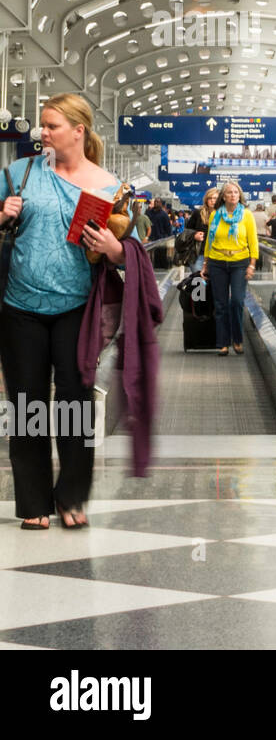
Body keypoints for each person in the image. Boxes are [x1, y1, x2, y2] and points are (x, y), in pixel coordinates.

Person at [0, 94, 125, 529]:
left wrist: (113, 249)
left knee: (74, 403)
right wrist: (1, 214)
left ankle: (72, 497)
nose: (43, 133)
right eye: (41, 125)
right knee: (27, 402)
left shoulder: (107, 185)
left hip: (76, 308)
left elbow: (124, 253)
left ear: (79, 131)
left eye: (52, 126)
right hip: (20, 307)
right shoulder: (20, 173)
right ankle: (34, 502)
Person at [202, 181, 259, 357]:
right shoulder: (215, 216)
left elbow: (253, 241)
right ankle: (222, 343)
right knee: (220, 305)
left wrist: (252, 264)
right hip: (217, 262)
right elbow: (209, 241)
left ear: (239, 196)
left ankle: (237, 339)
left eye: (236, 192)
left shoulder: (247, 215)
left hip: (240, 262)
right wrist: (205, 263)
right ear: (223, 196)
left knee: (236, 301)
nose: (233, 195)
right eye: (229, 192)